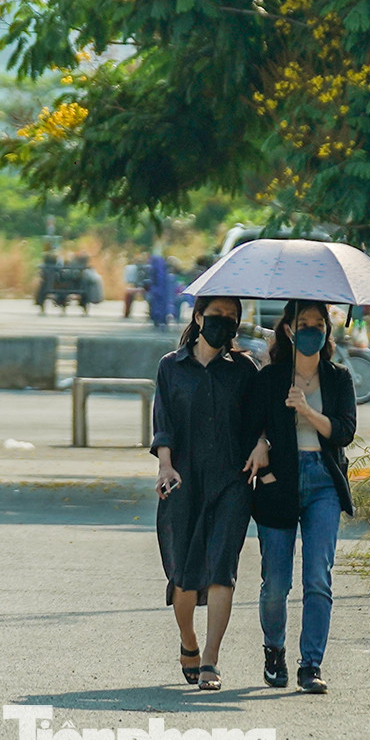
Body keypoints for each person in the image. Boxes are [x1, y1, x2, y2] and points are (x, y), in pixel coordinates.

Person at [151, 295, 263, 692]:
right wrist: (165, 464)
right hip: (183, 480)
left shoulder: (245, 369)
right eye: (216, 316)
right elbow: (162, 421)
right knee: (183, 576)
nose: (224, 324)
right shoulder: (171, 367)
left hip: (231, 482)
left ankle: (211, 660)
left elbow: (260, 418)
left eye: (232, 318)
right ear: (198, 317)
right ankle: (189, 642)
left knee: (221, 571)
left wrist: (262, 442)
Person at [248, 299, 357, 695]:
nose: (312, 329)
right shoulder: (271, 377)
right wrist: (262, 446)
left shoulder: (339, 377)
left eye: (319, 323)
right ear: (289, 330)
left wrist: (308, 412)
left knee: (317, 578)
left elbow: (343, 432)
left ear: (327, 330)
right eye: (303, 323)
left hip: (323, 482)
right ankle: (273, 649)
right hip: (280, 480)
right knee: (276, 582)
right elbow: (251, 425)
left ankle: (310, 664)